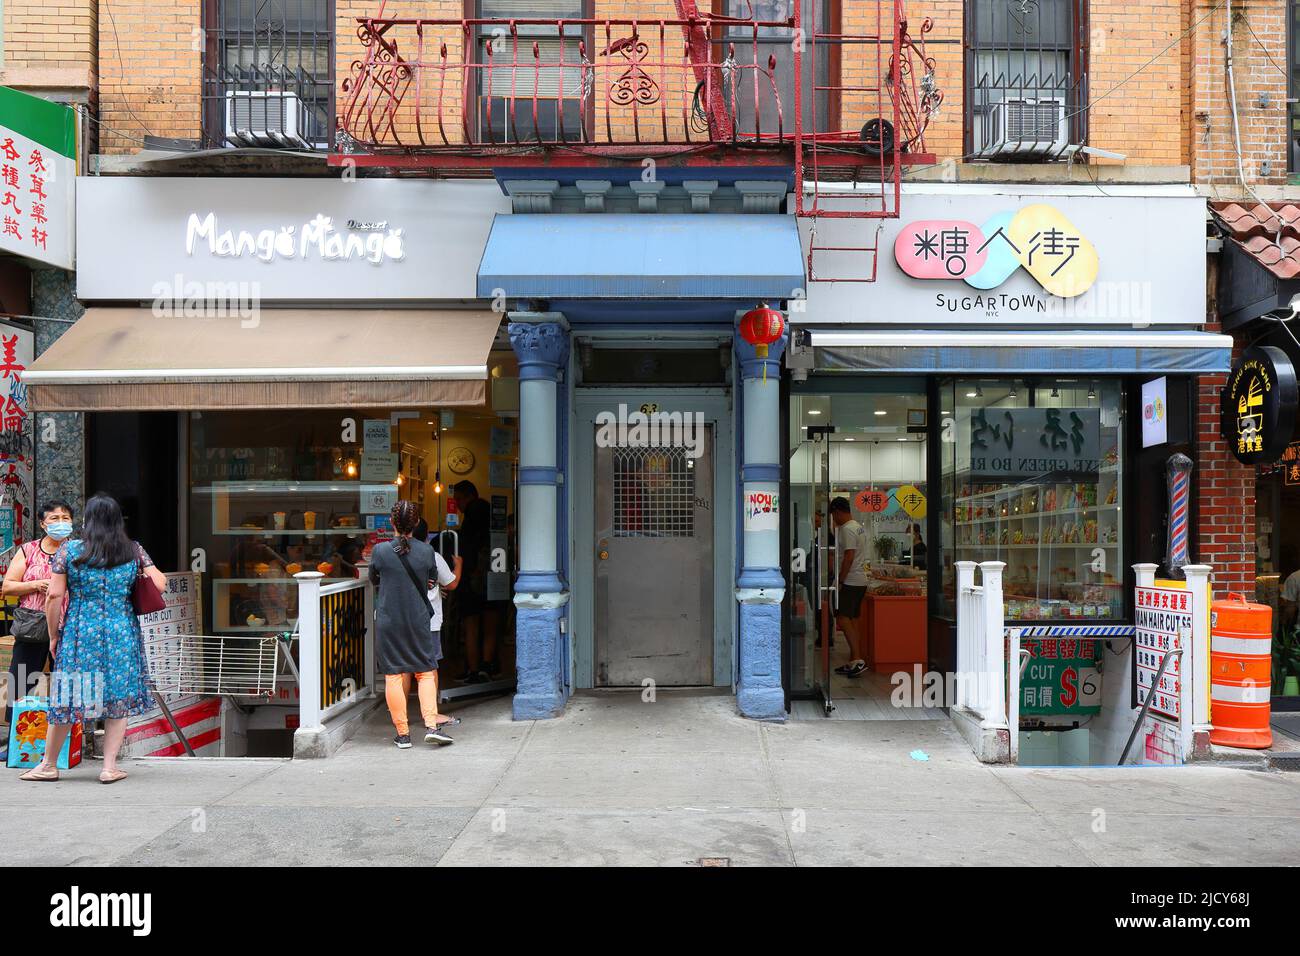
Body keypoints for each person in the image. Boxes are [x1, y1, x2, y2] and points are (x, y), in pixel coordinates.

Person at [20, 493, 166, 783]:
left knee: (68, 695)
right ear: (117, 521)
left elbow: (54, 595)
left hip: (79, 631)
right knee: (117, 697)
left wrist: (53, 635)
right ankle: (109, 767)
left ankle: (49, 765)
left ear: (87, 520)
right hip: (120, 629)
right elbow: (160, 584)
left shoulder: (70, 551)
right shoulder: (133, 550)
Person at [368, 499, 463, 749]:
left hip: (390, 620)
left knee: (394, 675)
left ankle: (403, 734)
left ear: (392, 522)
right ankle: (431, 725)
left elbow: (373, 579)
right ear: (417, 523)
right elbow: (432, 582)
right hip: (419, 619)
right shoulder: (426, 552)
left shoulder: (380, 551)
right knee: (425, 672)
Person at [2, 500, 74, 724]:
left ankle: (66, 743)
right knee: (20, 683)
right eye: (54, 518)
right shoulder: (28, 550)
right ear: (43, 524)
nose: (60, 523)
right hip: (32, 626)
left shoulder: (78, 551)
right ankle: (14, 741)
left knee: (67, 685)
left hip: (68, 626)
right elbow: (7, 586)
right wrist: (36, 585)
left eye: (65, 518)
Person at [453, 480, 498, 682]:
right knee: (490, 621)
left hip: (471, 577)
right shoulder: (491, 516)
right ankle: (487, 666)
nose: (457, 505)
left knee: (471, 624)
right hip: (494, 575)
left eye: (459, 499)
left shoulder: (471, 519)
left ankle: (472, 669)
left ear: (469, 496)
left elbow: (466, 549)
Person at [829, 497, 871, 678]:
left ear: (838, 512)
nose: (833, 520)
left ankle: (858, 659)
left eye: (833, 515)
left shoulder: (847, 529)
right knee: (852, 620)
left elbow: (849, 556)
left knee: (843, 619)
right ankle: (855, 659)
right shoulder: (858, 527)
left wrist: (840, 579)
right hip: (860, 580)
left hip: (851, 580)